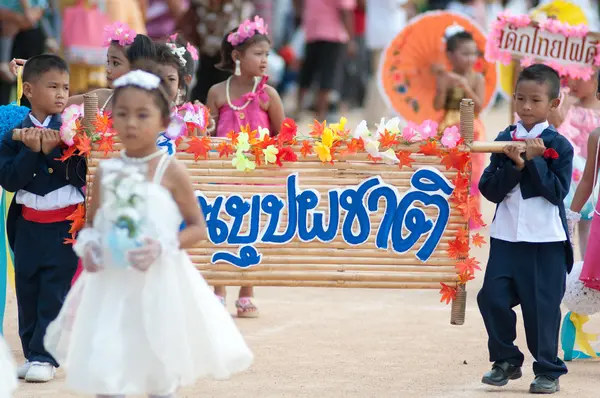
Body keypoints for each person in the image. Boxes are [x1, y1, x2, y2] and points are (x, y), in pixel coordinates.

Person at [43, 62, 254, 397]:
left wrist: (164, 246)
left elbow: (198, 227)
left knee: (157, 366)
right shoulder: (107, 171)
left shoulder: (171, 171)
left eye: (142, 115)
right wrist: (92, 246)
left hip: (160, 282)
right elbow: (94, 226)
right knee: (110, 368)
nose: (130, 123)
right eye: (123, 114)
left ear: (164, 121)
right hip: (113, 285)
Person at [477, 64, 574, 394]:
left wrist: (532, 162)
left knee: (541, 308)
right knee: (491, 296)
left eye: (535, 100)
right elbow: (489, 190)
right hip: (505, 237)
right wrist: (515, 165)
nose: (527, 107)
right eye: (520, 98)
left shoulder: (560, 145)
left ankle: (548, 369)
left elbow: (557, 193)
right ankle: (505, 359)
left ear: (554, 103)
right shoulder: (504, 139)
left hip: (544, 241)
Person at [0, 54, 87, 383]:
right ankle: (32, 349)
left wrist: (52, 148)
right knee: (27, 288)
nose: (62, 94)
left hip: (64, 227)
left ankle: (44, 356)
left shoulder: (75, 132)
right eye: (52, 86)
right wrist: (30, 149)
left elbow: (80, 174)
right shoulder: (13, 132)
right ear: (30, 90)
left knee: (53, 289)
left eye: (66, 87)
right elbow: (9, 180)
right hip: (26, 226)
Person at [206, 16, 285, 316]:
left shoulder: (269, 95)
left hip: (257, 179)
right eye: (258, 54)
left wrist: (267, 153)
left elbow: (283, 136)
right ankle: (218, 288)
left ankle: (247, 289)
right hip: (223, 176)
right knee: (220, 230)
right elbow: (206, 133)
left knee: (252, 231)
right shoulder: (216, 93)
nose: (265, 60)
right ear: (237, 57)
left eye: (267, 54)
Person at [433, 26, 485, 228]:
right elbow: (437, 105)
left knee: (472, 170)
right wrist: (442, 86)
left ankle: (470, 218)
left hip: (471, 125)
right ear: (450, 55)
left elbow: (479, 107)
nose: (471, 58)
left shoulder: (477, 78)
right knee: (448, 170)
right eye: (465, 54)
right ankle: (448, 215)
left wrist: (465, 85)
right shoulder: (445, 77)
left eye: (473, 53)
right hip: (447, 126)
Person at [553, 73, 600, 257]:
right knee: (569, 224)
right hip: (573, 176)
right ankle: (571, 267)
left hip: (595, 177)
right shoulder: (568, 105)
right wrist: (565, 102)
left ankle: (588, 267)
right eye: (569, 77)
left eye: (580, 78)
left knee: (590, 228)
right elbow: (556, 124)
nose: (573, 82)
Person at [180, 0, 254, 104]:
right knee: (200, 97)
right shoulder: (197, 7)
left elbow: (245, 37)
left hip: (230, 64)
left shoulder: (240, 7)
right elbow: (188, 32)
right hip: (204, 62)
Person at [295, 0, 356, 121]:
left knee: (307, 73)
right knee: (328, 76)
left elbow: (298, 4)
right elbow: (346, 11)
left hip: (312, 32)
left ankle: (298, 109)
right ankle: (320, 114)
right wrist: (351, 40)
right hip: (332, 34)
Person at [363, 0, 411, 125]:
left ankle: (376, 117)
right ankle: (378, 118)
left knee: (379, 76)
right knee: (383, 78)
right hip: (387, 37)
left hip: (380, 36)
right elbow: (403, 4)